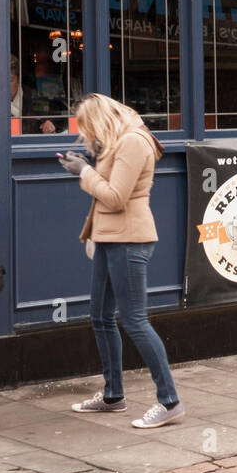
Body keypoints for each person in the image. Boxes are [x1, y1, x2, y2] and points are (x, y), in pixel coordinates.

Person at [59, 93, 183, 429]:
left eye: (89, 130)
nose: (88, 138)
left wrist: (84, 171)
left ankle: (169, 400)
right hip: (110, 239)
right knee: (100, 316)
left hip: (129, 240)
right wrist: (93, 163)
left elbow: (115, 198)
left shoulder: (132, 142)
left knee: (135, 320)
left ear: (101, 121)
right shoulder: (119, 143)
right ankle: (113, 395)